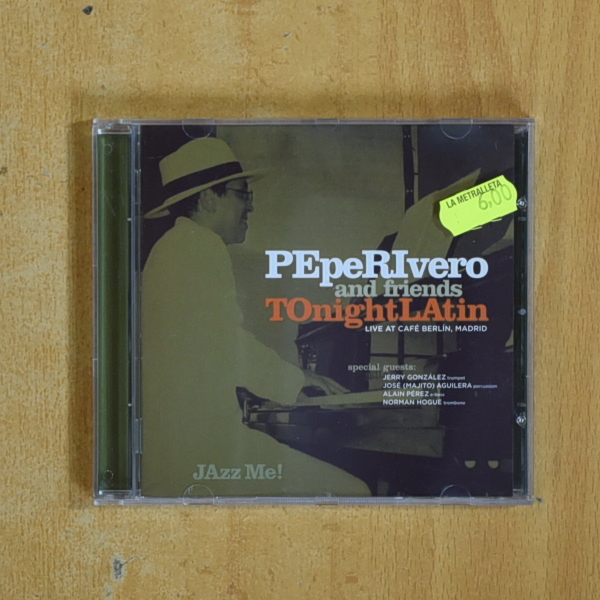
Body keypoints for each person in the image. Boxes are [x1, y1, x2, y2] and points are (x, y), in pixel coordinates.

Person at [141, 137, 370, 498]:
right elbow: (228, 344)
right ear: (208, 199)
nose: (250, 206)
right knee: (354, 493)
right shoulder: (200, 246)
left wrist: (281, 385)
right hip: (201, 453)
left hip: (180, 450)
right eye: (241, 194)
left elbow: (209, 350)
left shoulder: (173, 247)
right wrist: (300, 380)